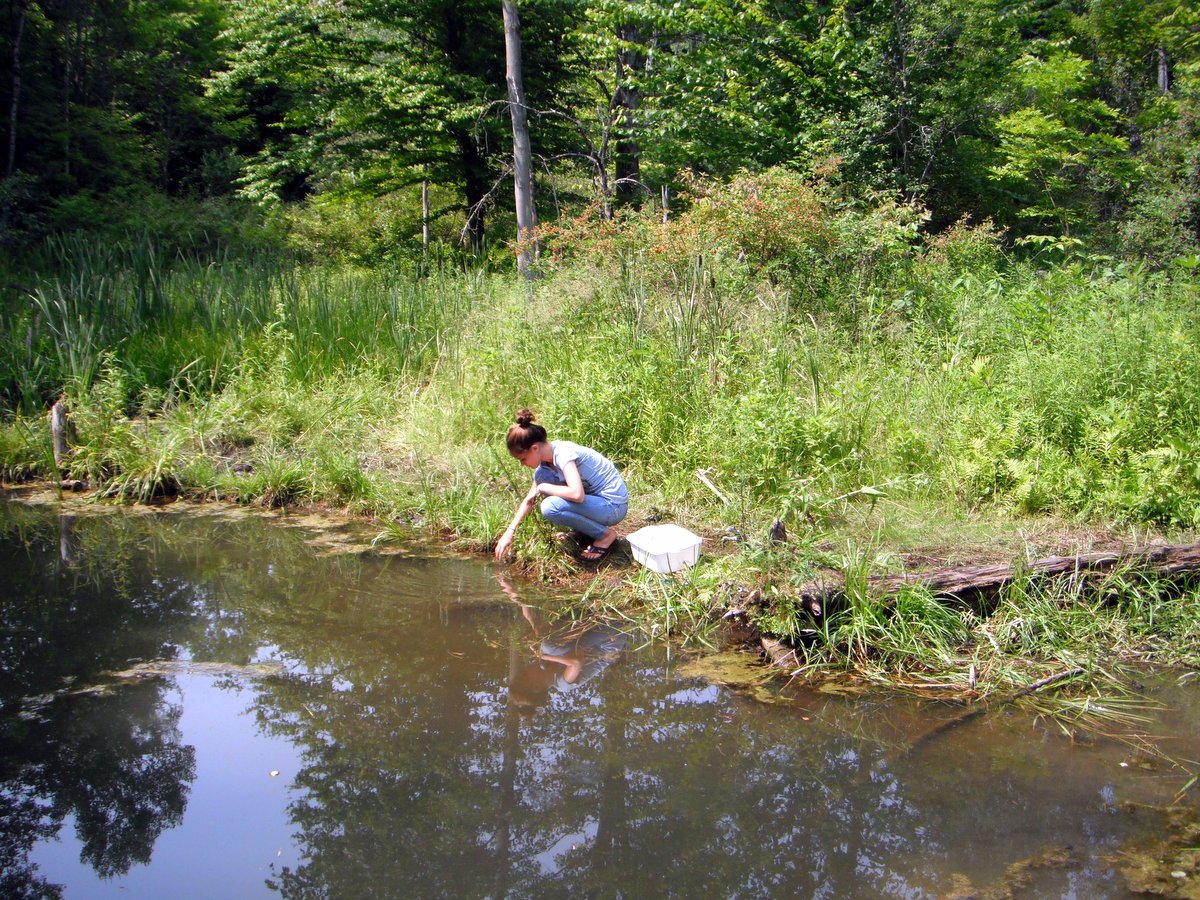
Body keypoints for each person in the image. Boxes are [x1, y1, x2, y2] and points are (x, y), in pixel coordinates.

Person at [493, 408, 628, 563]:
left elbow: (577, 494)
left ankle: (605, 536)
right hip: (598, 505)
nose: (523, 464)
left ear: (535, 448)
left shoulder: (562, 453)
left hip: (614, 505)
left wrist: (543, 488)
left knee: (550, 506)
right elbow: (529, 500)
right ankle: (583, 532)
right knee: (549, 491)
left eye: (523, 459)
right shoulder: (544, 468)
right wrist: (509, 532)